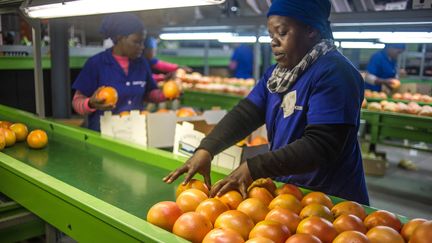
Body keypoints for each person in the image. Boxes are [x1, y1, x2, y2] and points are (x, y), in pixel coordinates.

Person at [164, 0, 369, 205]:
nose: (274, 42)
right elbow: (247, 113)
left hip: (330, 200)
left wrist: (254, 167)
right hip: (287, 195)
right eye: (271, 35)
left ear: (311, 30)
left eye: (282, 32)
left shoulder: (335, 73)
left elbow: (322, 144)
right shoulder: (276, 76)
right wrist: (207, 149)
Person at [72, 13, 165, 131]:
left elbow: (149, 93)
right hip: (103, 136)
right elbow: (77, 102)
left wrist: (165, 94)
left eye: (143, 42)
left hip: (136, 134)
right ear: (120, 38)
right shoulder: (96, 64)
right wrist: (90, 103)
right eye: (136, 42)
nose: (142, 47)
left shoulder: (142, 63)